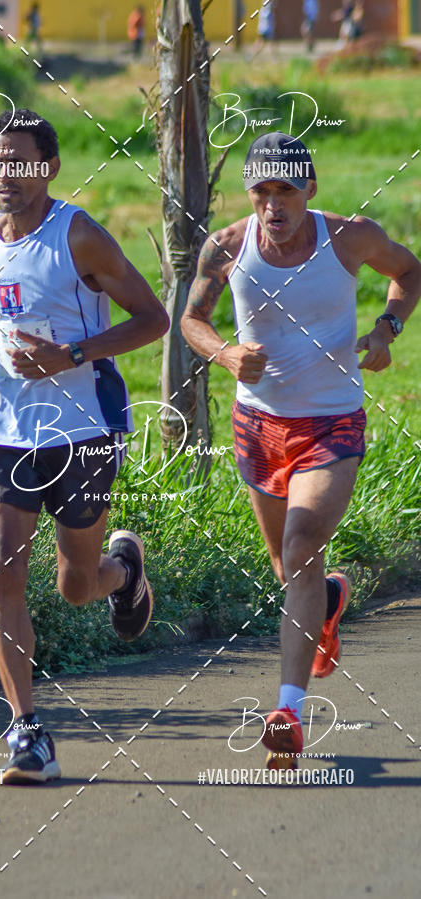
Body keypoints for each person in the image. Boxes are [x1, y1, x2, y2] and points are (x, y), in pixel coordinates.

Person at [0, 109, 169, 783]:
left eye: (21, 162)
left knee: (73, 585)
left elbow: (151, 319)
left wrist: (69, 352)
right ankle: (27, 733)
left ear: (51, 167)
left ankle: (123, 572)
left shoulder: (79, 236)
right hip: (3, 427)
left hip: (81, 428)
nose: (6, 174)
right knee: (1, 566)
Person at [181, 131, 421, 770]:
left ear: (309, 189)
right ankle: (330, 601)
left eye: (285, 189)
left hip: (331, 422)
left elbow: (409, 270)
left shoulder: (350, 237)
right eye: (261, 191)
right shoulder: (227, 248)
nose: (273, 204)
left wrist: (386, 328)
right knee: (292, 572)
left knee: (301, 542)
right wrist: (225, 353)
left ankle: (287, 710)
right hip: (258, 426)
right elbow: (191, 320)